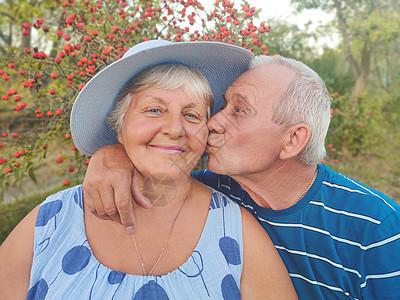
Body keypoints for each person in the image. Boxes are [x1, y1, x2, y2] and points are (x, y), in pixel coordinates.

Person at [81, 53, 400, 299]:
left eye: (238, 110)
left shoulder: (374, 228)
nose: (213, 122)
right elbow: (154, 163)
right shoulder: (210, 192)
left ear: (292, 141)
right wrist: (111, 155)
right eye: (223, 105)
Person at [0, 40, 298, 299]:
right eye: (154, 109)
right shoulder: (51, 222)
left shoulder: (237, 233)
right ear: (120, 127)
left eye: (192, 115)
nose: (175, 129)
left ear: (206, 132)